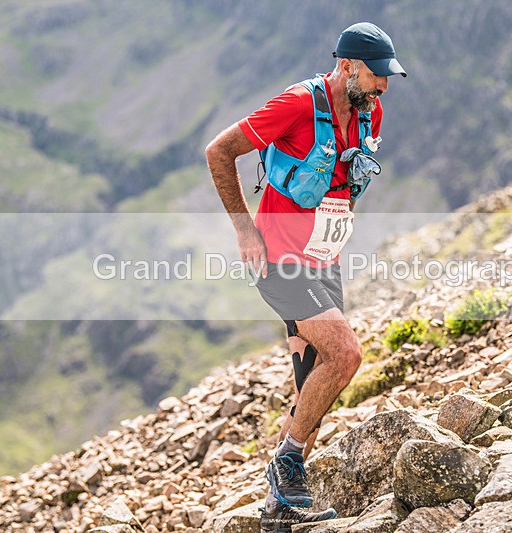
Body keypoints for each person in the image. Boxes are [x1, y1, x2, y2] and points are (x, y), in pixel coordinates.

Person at [205, 22, 406, 532]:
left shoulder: (368, 111)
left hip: (324, 257)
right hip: (278, 257)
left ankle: (281, 507)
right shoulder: (296, 105)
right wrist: (245, 230)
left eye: (387, 78)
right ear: (347, 67)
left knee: (310, 384)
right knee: (346, 354)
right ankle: (287, 460)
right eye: (377, 76)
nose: (384, 86)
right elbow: (219, 151)